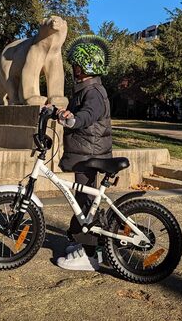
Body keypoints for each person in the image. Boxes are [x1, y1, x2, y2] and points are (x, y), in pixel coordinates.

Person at [55, 35, 112, 271]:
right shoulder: (84, 90)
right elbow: (74, 111)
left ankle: (90, 254)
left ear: (87, 67)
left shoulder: (94, 92)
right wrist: (56, 111)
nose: (74, 69)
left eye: (77, 65)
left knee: (86, 202)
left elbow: (89, 114)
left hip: (90, 154)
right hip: (84, 152)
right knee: (81, 199)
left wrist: (75, 119)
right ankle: (80, 239)